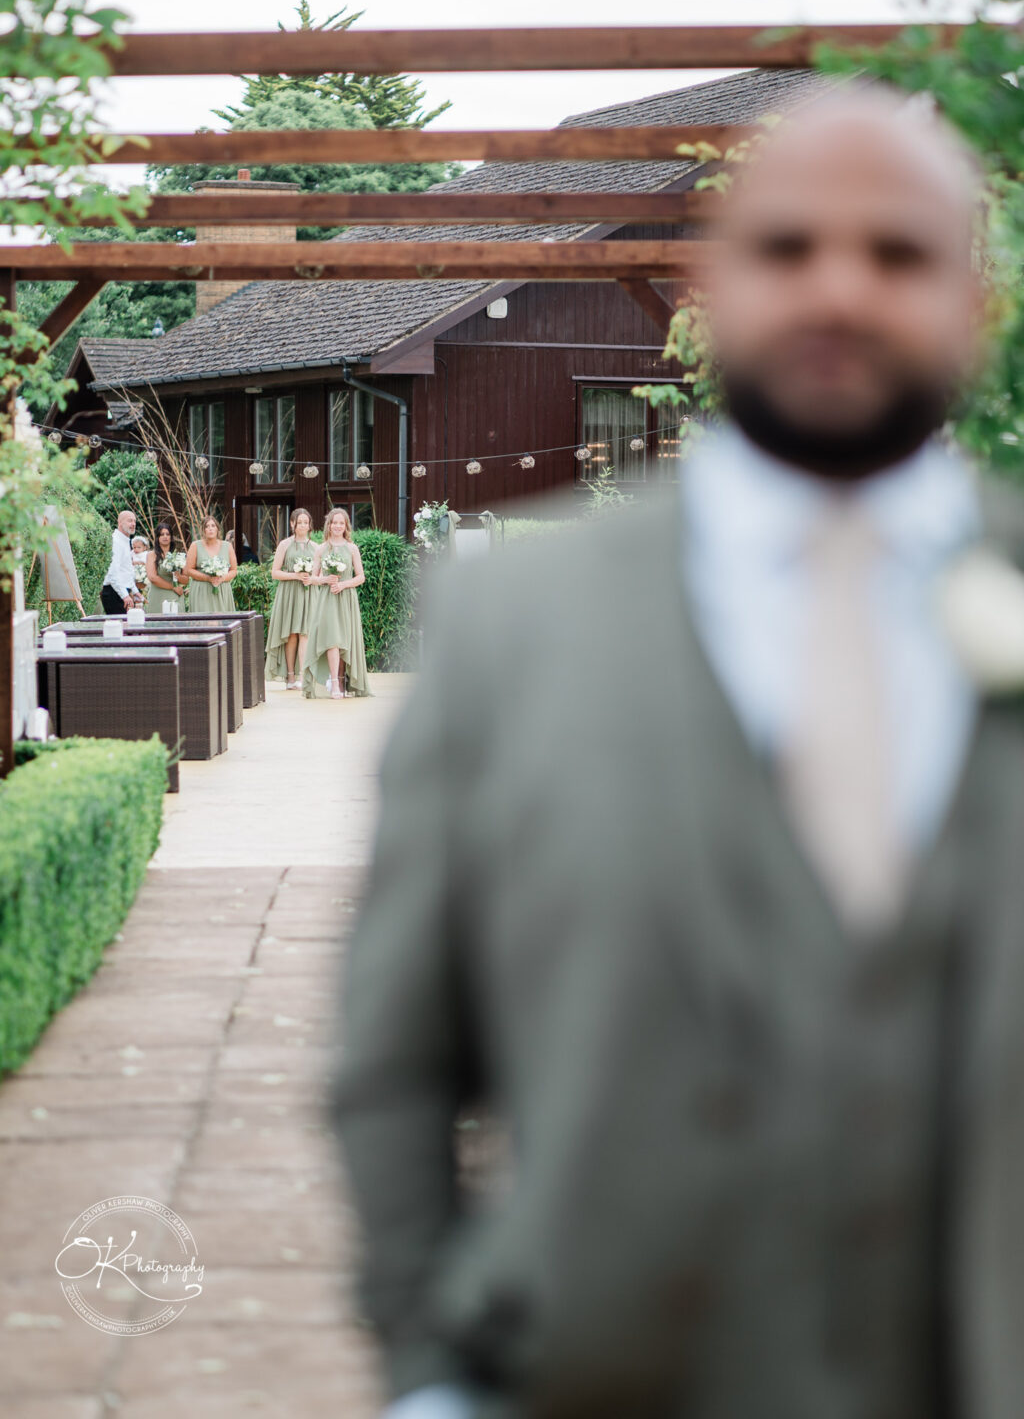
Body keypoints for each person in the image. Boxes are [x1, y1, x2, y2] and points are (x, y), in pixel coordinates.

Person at [330, 90, 1024, 1419]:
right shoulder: (512, 624)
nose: (839, 288)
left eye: (898, 254)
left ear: (972, 303)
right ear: (713, 287)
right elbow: (397, 1058)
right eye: (788, 247)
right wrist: (430, 1374)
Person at [302, 507, 371, 700]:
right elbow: (312, 579)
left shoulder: (352, 548)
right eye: (335, 523)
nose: (338, 526)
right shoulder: (322, 548)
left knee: (343, 642)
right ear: (329, 525)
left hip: (346, 598)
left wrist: (342, 584)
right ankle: (333, 683)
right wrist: (326, 580)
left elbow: (361, 577)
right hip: (327, 599)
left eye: (342, 523)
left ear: (346, 526)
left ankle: (341, 682)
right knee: (332, 639)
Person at [265, 508, 319, 689]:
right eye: (299, 522)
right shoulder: (284, 545)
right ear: (292, 524)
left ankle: (303, 676)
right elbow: (275, 572)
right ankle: (289, 676)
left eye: (306, 522)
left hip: (309, 593)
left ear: (310, 524)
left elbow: (320, 574)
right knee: (291, 634)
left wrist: (310, 578)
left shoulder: (316, 547)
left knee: (306, 633)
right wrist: (295, 575)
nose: (303, 525)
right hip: (289, 593)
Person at [185, 516, 238, 613]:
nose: (210, 528)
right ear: (203, 530)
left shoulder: (228, 546)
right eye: (207, 526)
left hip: (222, 589)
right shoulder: (195, 545)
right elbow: (188, 570)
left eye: (213, 526)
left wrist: (222, 578)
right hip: (201, 590)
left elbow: (234, 570)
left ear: (217, 529)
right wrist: (208, 578)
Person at [100, 509, 144, 615]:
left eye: (134, 521)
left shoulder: (125, 541)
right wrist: (124, 595)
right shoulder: (116, 541)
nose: (133, 524)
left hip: (121, 591)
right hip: (114, 593)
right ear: (120, 522)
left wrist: (135, 591)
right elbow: (112, 572)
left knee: (125, 629)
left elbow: (125, 570)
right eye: (130, 521)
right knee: (118, 629)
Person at [145, 522, 188, 615]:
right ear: (157, 537)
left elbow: (186, 580)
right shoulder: (152, 555)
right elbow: (152, 577)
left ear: (171, 537)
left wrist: (178, 575)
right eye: (162, 534)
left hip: (176, 596)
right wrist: (173, 587)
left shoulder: (179, 556)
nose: (165, 537)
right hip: (158, 595)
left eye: (167, 534)